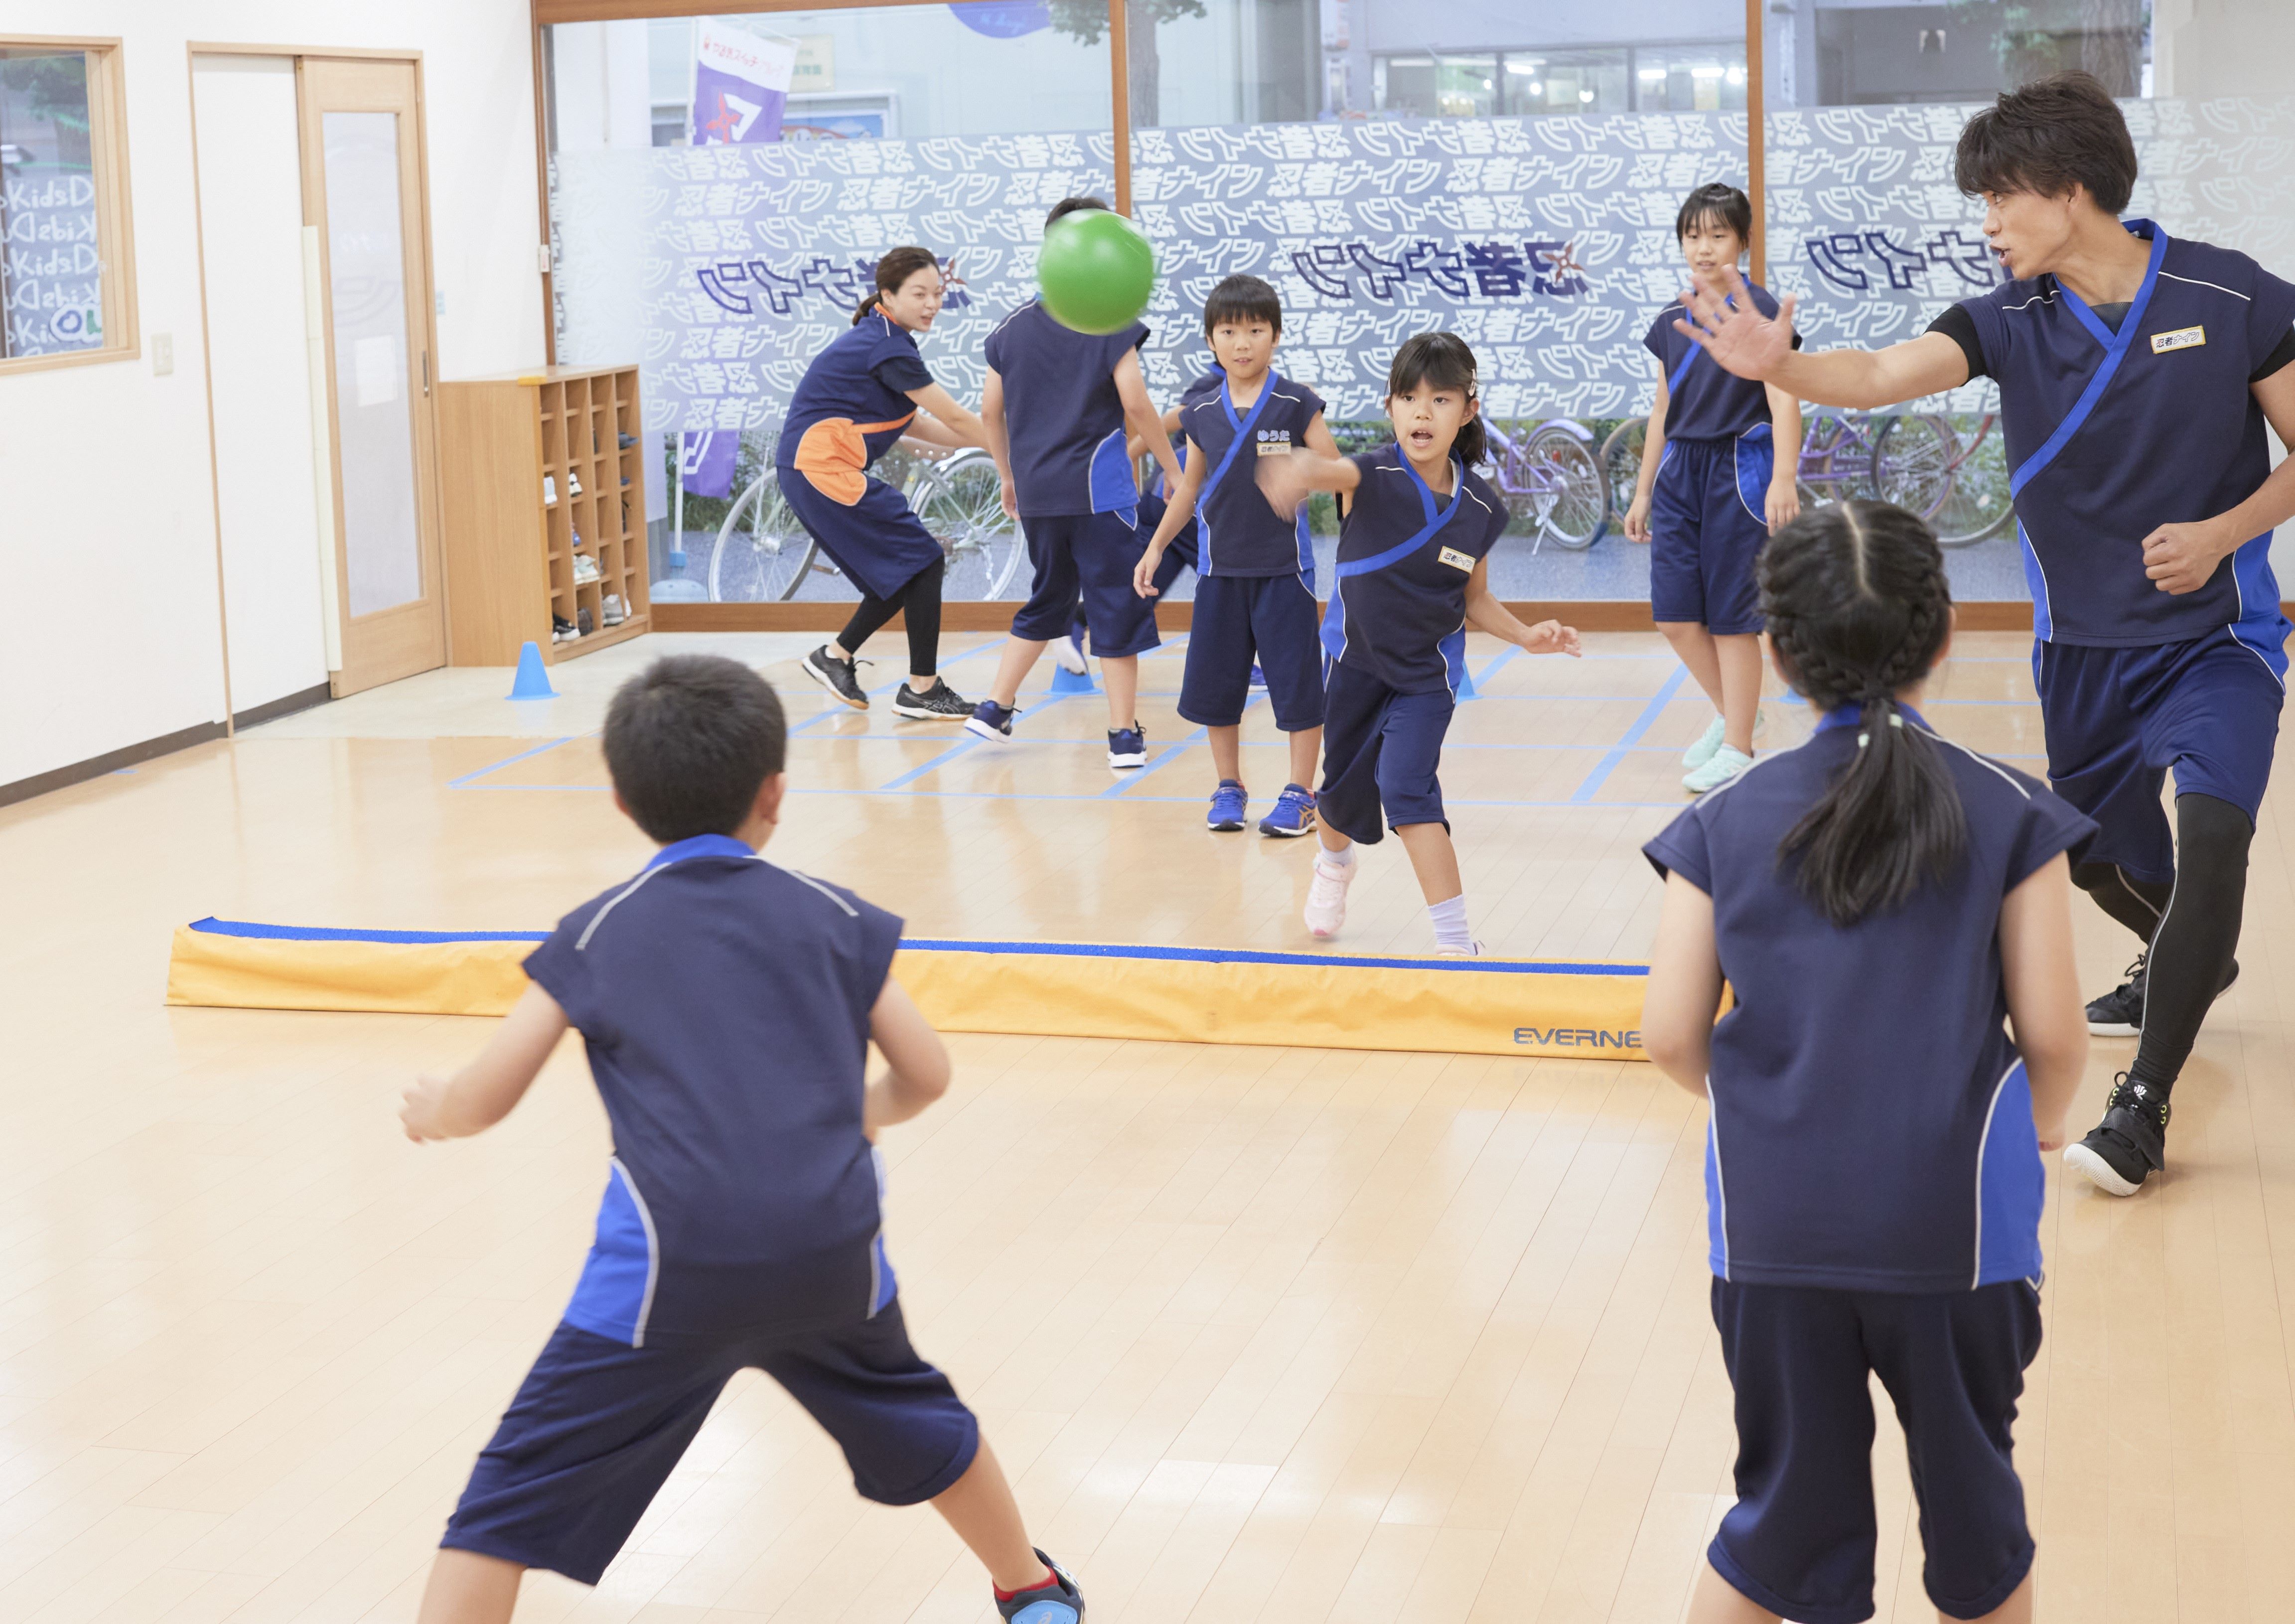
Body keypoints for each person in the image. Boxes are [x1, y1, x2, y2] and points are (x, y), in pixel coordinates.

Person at [1671, 70, 2295, 1196]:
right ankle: (2194, 951)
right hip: (2085, 652)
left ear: (2068, 190)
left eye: (2000, 198)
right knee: (2102, 854)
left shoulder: (2234, 293)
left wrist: (2224, 532)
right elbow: (1871, 375)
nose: (1989, 223)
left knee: (2214, 841)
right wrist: (1781, 368)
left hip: (2219, 638)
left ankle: (2140, 1106)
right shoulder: (2007, 321)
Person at [398, 656, 1084, 1624]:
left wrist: (435, 1107)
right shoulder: (833, 916)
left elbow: (487, 1095)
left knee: (500, 1507)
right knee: (921, 1415)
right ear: (775, 793)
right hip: (828, 1254)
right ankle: (1032, 1591)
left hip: (666, 1275)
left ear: (620, 798)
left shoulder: (598, 933)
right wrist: (862, 1115)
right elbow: (925, 1072)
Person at [1641, 501, 2092, 1624]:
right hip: (1954, 1231)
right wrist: (2025, 1125)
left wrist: (1764, 1107)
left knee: (1775, 1527)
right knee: (1978, 1529)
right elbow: (2050, 1035)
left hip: (1775, 1229)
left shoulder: (1722, 817)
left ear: (1778, 656)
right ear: (1940, 638)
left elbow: (1668, 1033)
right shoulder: (2005, 808)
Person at [1259, 332, 1581, 953]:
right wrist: (1299, 468)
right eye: (1408, 397)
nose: (1421, 411)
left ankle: (1456, 943)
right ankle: (1334, 863)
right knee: (1336, 799)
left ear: (1468, 409)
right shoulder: (1371, 473)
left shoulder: (1482, 507)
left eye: (1439, 398)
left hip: (1425, 680)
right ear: (1390, 408)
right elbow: (1329, 469)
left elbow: (1475, 598)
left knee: (1407, 789)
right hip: (1353, 669)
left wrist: (1524, 636)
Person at [966, 197, 1184, 768]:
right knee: (1116, 606)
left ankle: (995, 707)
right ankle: (1123, 735)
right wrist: (1173, 465)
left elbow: (991, 412)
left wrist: (1008, 476)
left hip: (1038, 493)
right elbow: (1136, 402)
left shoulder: (1010, 329)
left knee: (1049, 597)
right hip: (1099, 494)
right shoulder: (1109, 324)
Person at [1136, 272, 1338, 836]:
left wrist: (1302, 474)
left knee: (1298, 691)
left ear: (1275, 335)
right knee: (1217, 689)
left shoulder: (1296, 403)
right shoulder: (1201, 410)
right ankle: (1229, 786)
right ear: (1211, 341)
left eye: (1255, 329)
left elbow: (1337, 470)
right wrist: (1154, 547)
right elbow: (1189, 490)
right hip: (1218, 573)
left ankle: (1300, 792)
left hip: (1284, 574)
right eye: (1229, 330)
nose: (1242, 342)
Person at [1622, 182, 1804, 794]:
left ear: (1743, 241)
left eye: (1717, 234)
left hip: (1738, 470)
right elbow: (1659, 411)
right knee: (1675, 616)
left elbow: (1785, 398)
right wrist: (1643, 490)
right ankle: (1737, 714)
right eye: (1692, 235)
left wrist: (1783, 475)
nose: (1703, 248)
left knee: (1732, 620)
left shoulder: (1759, 310)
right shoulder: (1673, 320)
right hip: (1680, 472)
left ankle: (1738, 746)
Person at [786, 247, 990, 721]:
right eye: (919, 294)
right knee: (922, 557)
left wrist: (978, 443)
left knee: (907, 568)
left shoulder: (883, 338)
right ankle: (922, 689)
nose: (931, 304)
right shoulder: (888, 345)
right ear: (888, 295)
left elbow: (925, 429)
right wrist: (1015, 456)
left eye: (936, 293)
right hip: (821, 469)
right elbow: (956, 417)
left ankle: (837, 657)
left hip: (814, 471)